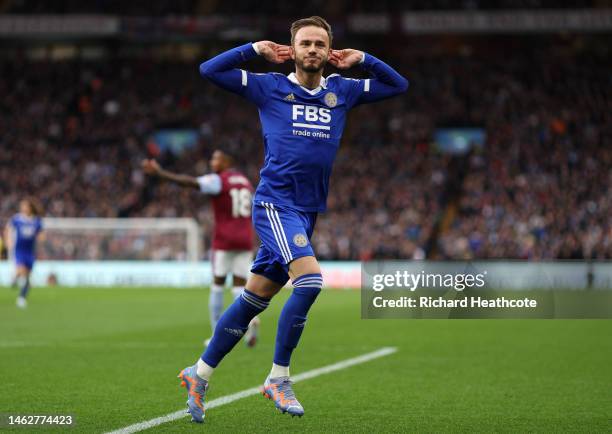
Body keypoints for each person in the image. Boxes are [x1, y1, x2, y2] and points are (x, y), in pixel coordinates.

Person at [178, 16, 408, 422]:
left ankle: (199, 373)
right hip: (274, 204)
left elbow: (398, 85)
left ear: (330, 51)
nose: (313, 50)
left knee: (254, 299)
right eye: (306, 43)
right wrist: (253, 51)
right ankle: (278, 377)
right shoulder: (270, 86)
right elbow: (209, 70)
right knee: (311, 281)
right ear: (294, 49)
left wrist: (366, 59)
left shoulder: (344, 90)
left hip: (306, 211)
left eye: (321, 44)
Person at [141, 150, 259, 346]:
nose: (212, 162)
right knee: (239, 287)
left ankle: (216, 335)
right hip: (245, 239)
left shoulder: (219, 180)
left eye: (216, 158)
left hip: (224, 240)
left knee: (218, 284)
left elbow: (189, 182)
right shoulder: (245, 182)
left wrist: (160, 173)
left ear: (227, 161)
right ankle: (251, 321)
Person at [4, 198, 45, 308]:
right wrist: (8, 240)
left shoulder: (36, 221)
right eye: (22, 206)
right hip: (19, 250)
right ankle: (15, 277)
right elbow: (8, 228)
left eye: (25, 206)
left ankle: (21, 298)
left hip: (30, 252)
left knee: (28, 278)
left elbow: (41, 234)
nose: (23, 208)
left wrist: (41, 238)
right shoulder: (17, 219)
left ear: (30, 208)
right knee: (21, 270)